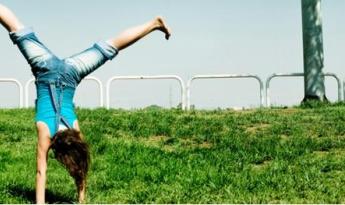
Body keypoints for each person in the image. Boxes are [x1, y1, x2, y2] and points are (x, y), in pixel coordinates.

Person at [0, 3, 171, 203]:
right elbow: (40, 172)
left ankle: (154, 24)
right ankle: (154, 23)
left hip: (72, 71)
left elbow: (79, 162)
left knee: (111, 46)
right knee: (16, 28)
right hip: (45, 68)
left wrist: (82, 198)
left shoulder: (75, 129)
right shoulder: (45, 133)